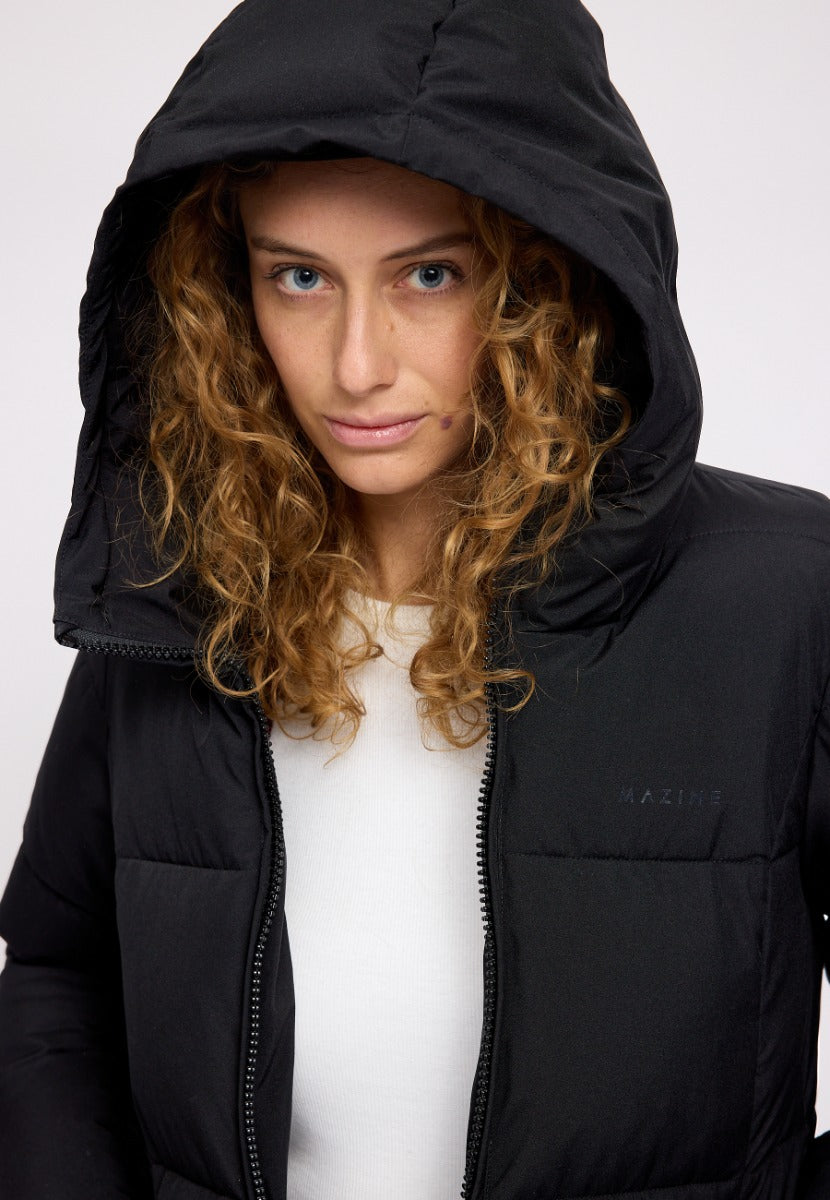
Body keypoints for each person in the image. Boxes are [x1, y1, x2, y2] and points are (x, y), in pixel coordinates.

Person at [0, 1, 828, 1198]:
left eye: (428, 274)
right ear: (225, 294)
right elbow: (59, 973)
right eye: (297, 277)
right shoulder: (184, 601)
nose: (356, 365)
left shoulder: (784, 598)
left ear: (547, 278)